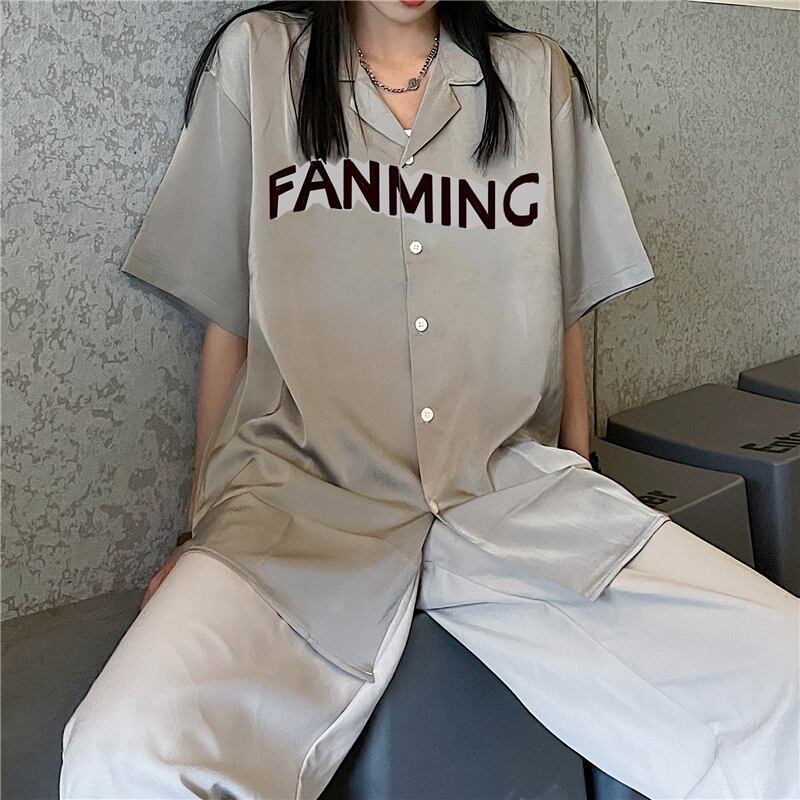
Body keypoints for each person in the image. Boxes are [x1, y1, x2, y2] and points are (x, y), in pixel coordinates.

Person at [59, 1, 800, 798]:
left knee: (782, 668)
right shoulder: (259, 59)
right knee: (125, 752)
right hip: (296, 501)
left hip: (506, 494)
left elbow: (564, 312)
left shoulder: (535, 77)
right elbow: (227, 324)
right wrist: (199, 529)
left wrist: (580, 466)